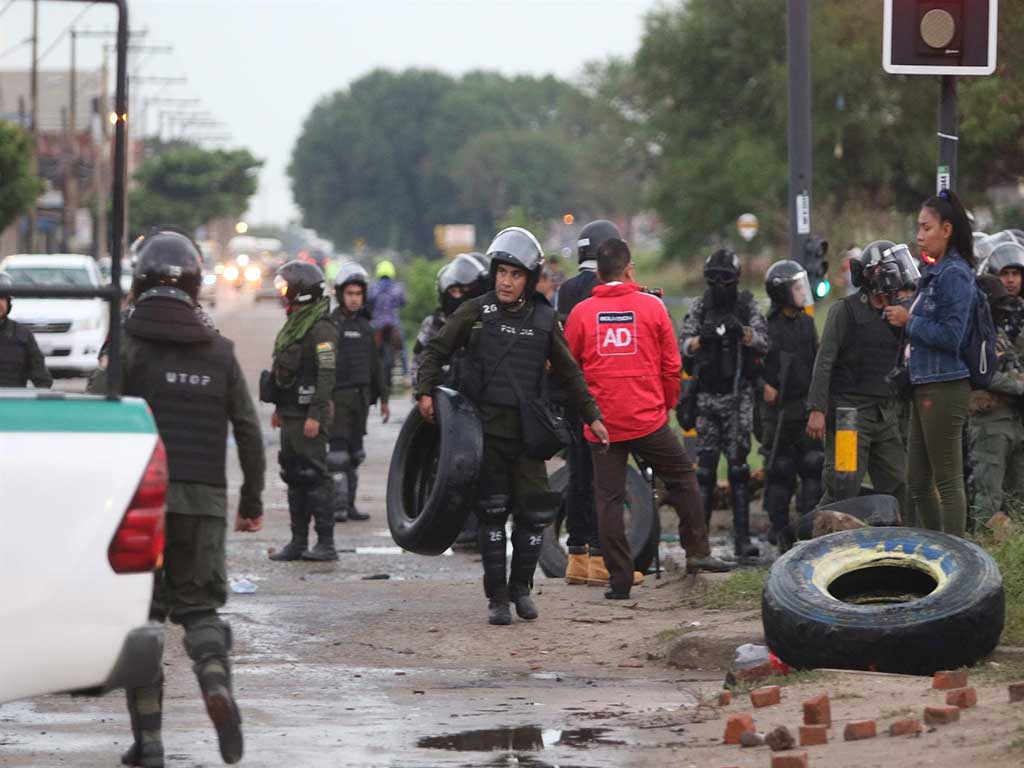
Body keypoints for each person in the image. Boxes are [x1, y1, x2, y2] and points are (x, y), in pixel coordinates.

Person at [88, 230, 265, 767]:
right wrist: (251, 502)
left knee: (144, 621)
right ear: (194, 282)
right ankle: (217, 686)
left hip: (141, 503)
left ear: (138, 281)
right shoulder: (220, 352)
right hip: (204, 502)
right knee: (200, 610)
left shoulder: (126, 346)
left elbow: (98, 420)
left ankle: (150, 743)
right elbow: (250, 432)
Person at [416, 227, 609, 625]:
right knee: (492, 513)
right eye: (502, 272)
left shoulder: (543, 319)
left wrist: (593, 416)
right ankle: (498, 598)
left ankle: (522, 589)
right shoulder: (476, 312)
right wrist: (425, 392)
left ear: (529, 278)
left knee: (535, 515)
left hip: (528, 435)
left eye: (515, 274)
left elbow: (572, 375)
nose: (506, 280)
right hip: (483, 434)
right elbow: (436, 350)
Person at [565, 238, 730, 598]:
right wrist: (666, 405)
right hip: (648, 420)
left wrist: (588, 413)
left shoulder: (580, 313)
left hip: (603, 424)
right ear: (628, 270)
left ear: (597, 273)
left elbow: (570, 370)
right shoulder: (652, 307)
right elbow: (672, 365)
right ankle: (698, 553)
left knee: (608, 498)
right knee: (684, 478)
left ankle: (620, 581)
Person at [884, 190, 977, 537]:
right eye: (918, 228)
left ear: (947, 229)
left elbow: (952, 335)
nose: (920, 235)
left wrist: (909, 320)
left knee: (948, 482)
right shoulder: (933, 272)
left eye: (926, 228)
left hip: (945, 385)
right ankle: (934, 552)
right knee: (917, 482)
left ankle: (958, 562)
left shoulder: (955, 273)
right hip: (924, 383)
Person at [806, 240, 909, 515]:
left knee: (900, 484)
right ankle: (810, 540)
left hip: (884, 415)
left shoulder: (899, 315)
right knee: (844, 484)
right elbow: (824, 360)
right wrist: (817, 409)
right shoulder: (846, 310)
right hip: (849, 415)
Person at [679, 249, 769, 558]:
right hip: (706, 395)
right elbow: (683, 344)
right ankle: (700, 541)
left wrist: (741, 333)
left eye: (725, 279)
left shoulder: (746, 304)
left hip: (738, 395)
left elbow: (764, 340)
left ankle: (741, 539)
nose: (719, 286)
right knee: (704, 471)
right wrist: (699, 341)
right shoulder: (700, 306)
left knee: (739, 469)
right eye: (713, 279)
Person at [556, 219, 619, 585]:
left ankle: (576, 556)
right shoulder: (603, 288)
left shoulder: (565, 290)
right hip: (600, 396)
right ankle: (600, 556)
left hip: (570, 395)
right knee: (603, 479)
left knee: (577, 477)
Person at [264, 260, 339, 561]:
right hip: (291, 414)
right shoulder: (295, 325)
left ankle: (326, 543)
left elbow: (326, 375)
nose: (283, 294)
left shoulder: (320, 328)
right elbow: (285, 371)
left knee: (315, 476)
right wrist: (280, 408)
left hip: (309, 416)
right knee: (293, 475)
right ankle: (298, 542)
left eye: (287, 288)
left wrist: (316, 416)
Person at [759, 260, 822, 543]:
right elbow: (752, 366)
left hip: (805, 409)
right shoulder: (768, 328)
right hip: (779, 413)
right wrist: (764, 385)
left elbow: (818, 361)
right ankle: (780, 530)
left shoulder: (808, 324)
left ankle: (808, 527)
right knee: (780, 470)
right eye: (797, 287)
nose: (802, 292)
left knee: (812, 465)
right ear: (782, 292)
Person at [328, 263, 389, 523]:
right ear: (341, 294)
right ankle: (337, 505)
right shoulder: (331, 325)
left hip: (361, 399)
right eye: (350, 293)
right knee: (337, 456)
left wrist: (384, 399)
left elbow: (375, 365)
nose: (354, 299)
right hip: (338, 399)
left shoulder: (366, 326)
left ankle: (350, 504)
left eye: (358, 294)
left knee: (355, 455)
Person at [967, 275, 1024, 528]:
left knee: (1016, 493)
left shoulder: (996, 332)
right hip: (990, 421)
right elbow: (983, 376)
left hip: (1013, 419)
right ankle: (982, 545)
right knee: (987, 493)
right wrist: (1018, 385)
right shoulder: (972, 335)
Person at [411, 252, 488, 391]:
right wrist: (424, 390)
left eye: (462, 290)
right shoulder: (433, 323)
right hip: (439, 391)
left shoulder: (485, 320)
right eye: (454, 291)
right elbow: (420, 361)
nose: (459, 296)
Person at [0, 272, 52, 389]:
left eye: (2, 298)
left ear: (8, 302)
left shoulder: (22, 335)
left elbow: (43, 380)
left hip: (13, 403)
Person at [367, 260, 407, 392]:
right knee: (402, 348)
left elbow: (368, 303)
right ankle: (406, 375)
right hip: (393, 326)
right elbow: (403, 302)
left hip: (376, 325)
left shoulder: (373, 287)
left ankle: (365, 374)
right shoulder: (398, 287)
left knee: (367, 348)